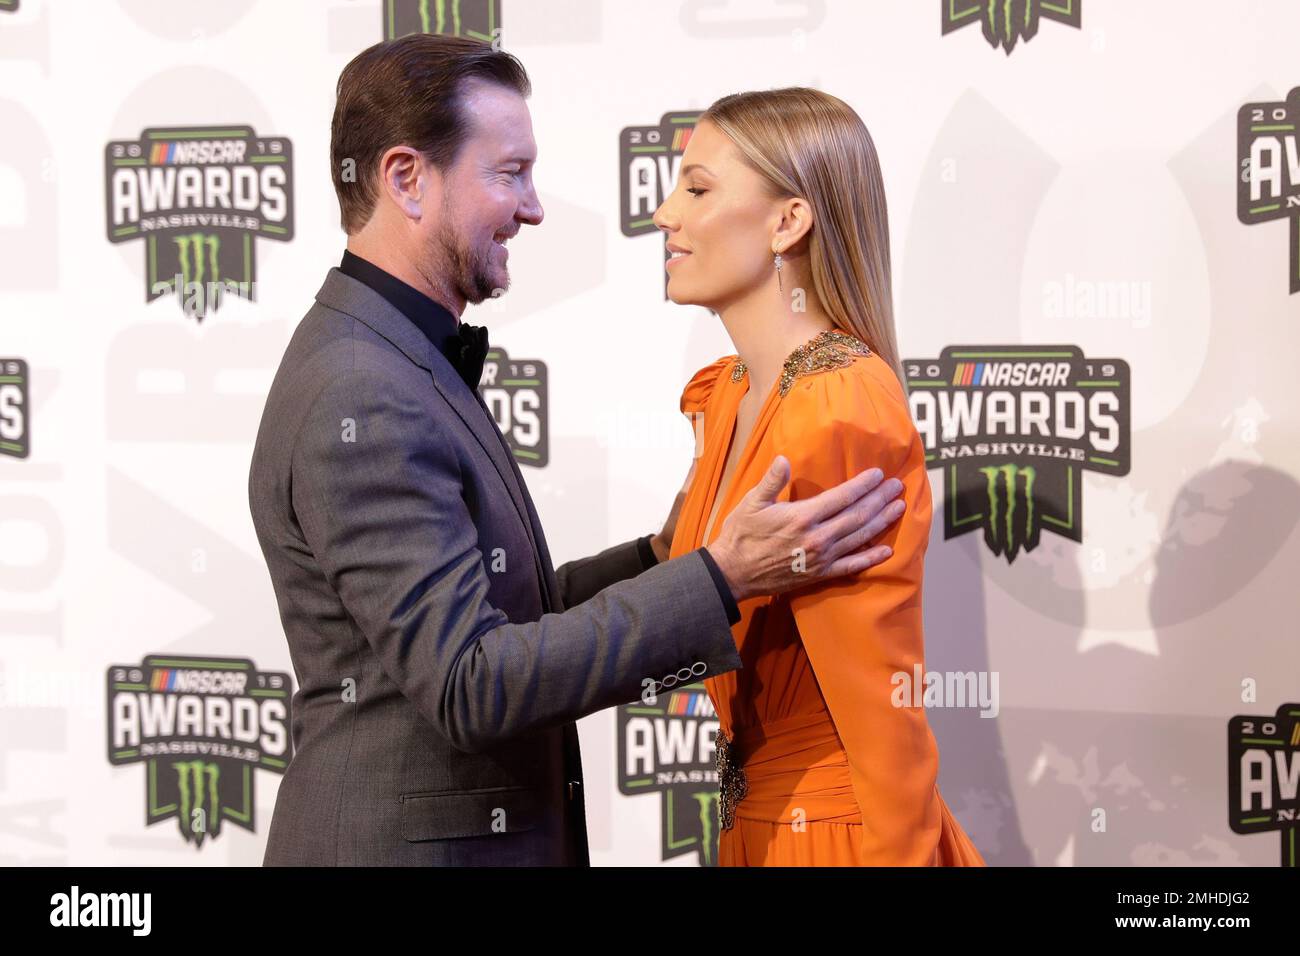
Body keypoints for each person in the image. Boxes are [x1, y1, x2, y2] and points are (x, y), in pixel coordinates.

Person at [247, 36, 907, 866]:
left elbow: (503, 617)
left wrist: (667, 557)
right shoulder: (362, 386)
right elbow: (470, 680)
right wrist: (721, 578)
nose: (532, 207)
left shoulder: (395, 359)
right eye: (508, 172)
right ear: (406, 178)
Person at [653, 88, 986, 866]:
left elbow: (882, 708)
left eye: (697, 189)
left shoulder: (837, 403)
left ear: (787, 222)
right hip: (755, 833)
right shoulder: (729, 393)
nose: (666, 214)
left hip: (836, 842)